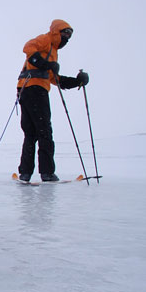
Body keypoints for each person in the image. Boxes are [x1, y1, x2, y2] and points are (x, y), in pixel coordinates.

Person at [16, 19, 89, 182]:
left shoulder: (53, 52)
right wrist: (46, 64)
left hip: (25, 90)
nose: (67, 38)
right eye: (65, 33)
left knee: (31, 133)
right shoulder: (46, 39)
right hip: (35, 89)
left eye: (69, 36)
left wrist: (77, 82)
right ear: (57, 31)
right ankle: (47, 173)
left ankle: (25, 172)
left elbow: (54, 79)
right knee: (44, 131)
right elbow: (28, 47)